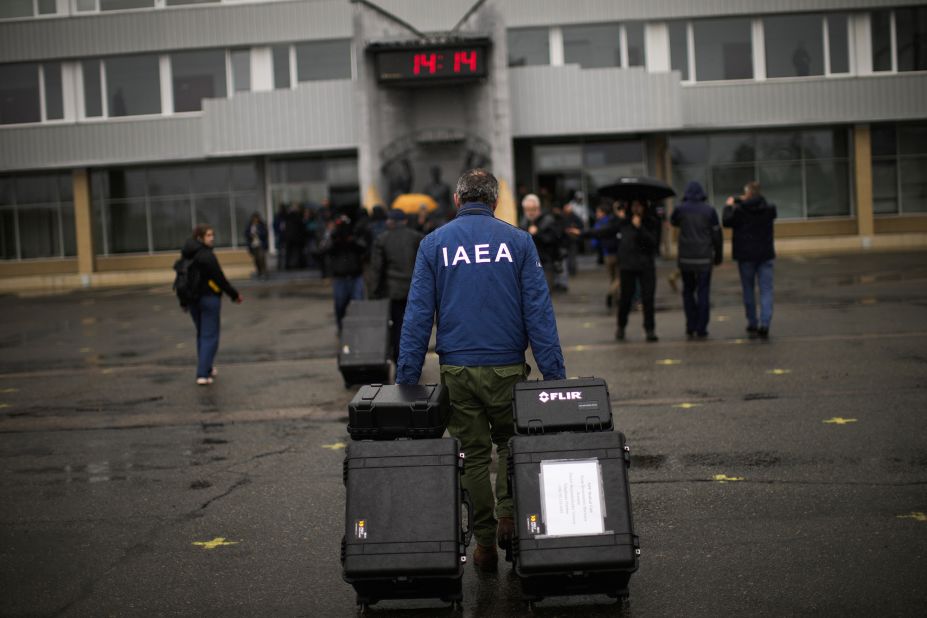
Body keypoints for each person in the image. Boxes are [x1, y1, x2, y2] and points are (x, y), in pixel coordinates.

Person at [397, 169, 566, 572]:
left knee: (472, 455)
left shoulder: (434, 244)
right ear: (494, 202)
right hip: (507, 365)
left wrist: (406, 379)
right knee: (510, 444)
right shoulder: (519, 242)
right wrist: (554, 377)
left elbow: (418, 315)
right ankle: (510, 514)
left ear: (457, 200)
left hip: (457, 367)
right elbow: (538, 313)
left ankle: (485, 543)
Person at [181, 224, 242, 385]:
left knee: (202, 334)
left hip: (193, 300)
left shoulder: (187, 254)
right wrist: (234, 295)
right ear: (200, 237)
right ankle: (202, 373)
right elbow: (219, 278)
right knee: (210, 336)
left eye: (212, 235)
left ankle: (206, 368)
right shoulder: (206, 255)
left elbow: (181, 279)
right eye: (208, 235)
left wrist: (183, 302)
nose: (212, 238)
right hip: (208, 299)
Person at [369, 209, 424, 363]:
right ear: (405, 221)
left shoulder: (382, 239)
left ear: (390, 221)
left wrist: (374, 292)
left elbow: (377, 268)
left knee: (397, 327)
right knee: (415, 326)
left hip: (393, 291)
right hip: (415, 290)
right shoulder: (416, 237)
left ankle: (399, 359)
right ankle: (416, 358)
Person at [724, 181, 777, 339]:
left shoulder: (740, 211)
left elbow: (726, 221)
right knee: (766, 289)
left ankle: (752, 321)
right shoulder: (769, 209)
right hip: (765, 254)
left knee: (748, 289)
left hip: (746, 256)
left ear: (747, 194)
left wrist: (729, 205)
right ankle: (765, 322)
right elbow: (763, 207)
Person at [671, 181, 723, 339]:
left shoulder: (681, 209)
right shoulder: (709, 211)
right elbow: (716, 235)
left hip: (686, 258)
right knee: (703, 292)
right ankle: (702, 326)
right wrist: (718, 255)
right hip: (704, 257)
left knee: (688, 291)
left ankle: (691, 324)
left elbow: (673, 221)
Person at [616, 200, 660, 342]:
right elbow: (605, 231)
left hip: (646, 265)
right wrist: (582, 233)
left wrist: (640, 227)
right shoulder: (624, 222)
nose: (636, 208)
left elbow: (653, 242)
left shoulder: (651, 222)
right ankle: (621, 326)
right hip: (628, 266)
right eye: (633, 205)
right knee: (625, 298)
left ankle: (650, 329)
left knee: (648, 299)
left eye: (639, 205)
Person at [319, 212, 367, 333]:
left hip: (355, 275)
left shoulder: (354, 235)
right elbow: (322, 250)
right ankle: (341, 328)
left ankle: (358, 329)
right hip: (340, 277)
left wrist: (353, 240)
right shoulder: (333, 237)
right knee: (340, 305)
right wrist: (334, 239)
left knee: (358, 304)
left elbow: (364, 248)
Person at [519, 194, 563, 292]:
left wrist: (537, 233)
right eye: (527, 209)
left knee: (545, 291)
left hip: (546, 260)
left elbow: (553, 240)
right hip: (529, 261)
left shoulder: (548, 220)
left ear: (538, 208)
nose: (530, 212)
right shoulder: (524, 221)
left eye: (532, 209)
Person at [243, 212, 269, 279]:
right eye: (254, 218)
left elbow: (265, 234)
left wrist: (258, 233)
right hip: (253, 245)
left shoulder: (261, 225)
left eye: (256, 218)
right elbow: (246, 234)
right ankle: (259, 271)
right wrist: (251, 235)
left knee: (261, 258)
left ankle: (264, 272)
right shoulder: (250, 226)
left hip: (260, 244)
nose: (255, 220)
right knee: (256, 259)